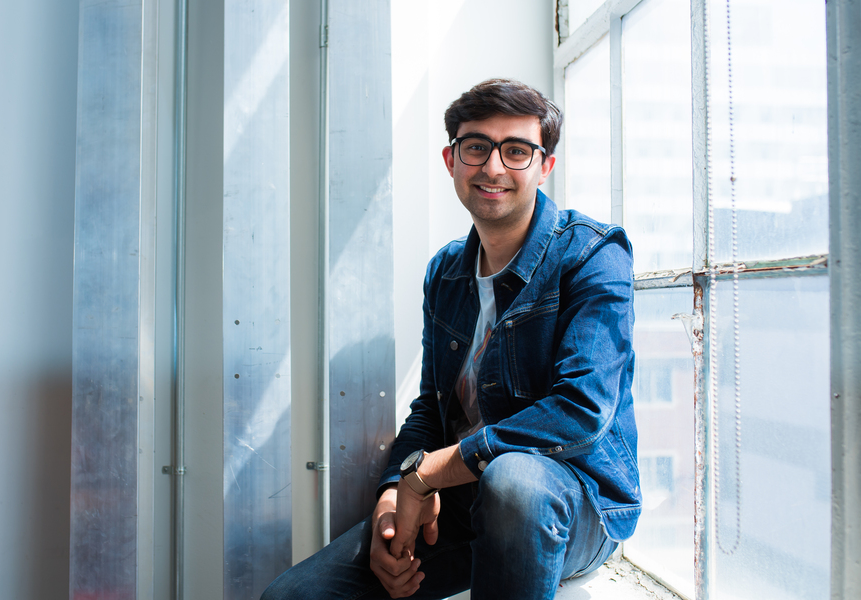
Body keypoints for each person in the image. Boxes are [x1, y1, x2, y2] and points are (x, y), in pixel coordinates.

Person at [262, 78, 640, 600]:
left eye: (517, 150)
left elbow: (581, 411)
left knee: (514, 482)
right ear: (451, 159)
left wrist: (428, 474)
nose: (492, 167)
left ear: (545, 166)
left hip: (570, 504)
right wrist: (394, 492)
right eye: (476, 147)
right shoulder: (446, 271)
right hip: (463, 500)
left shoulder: (593, 255)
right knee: (294, 597)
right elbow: (431, 410)